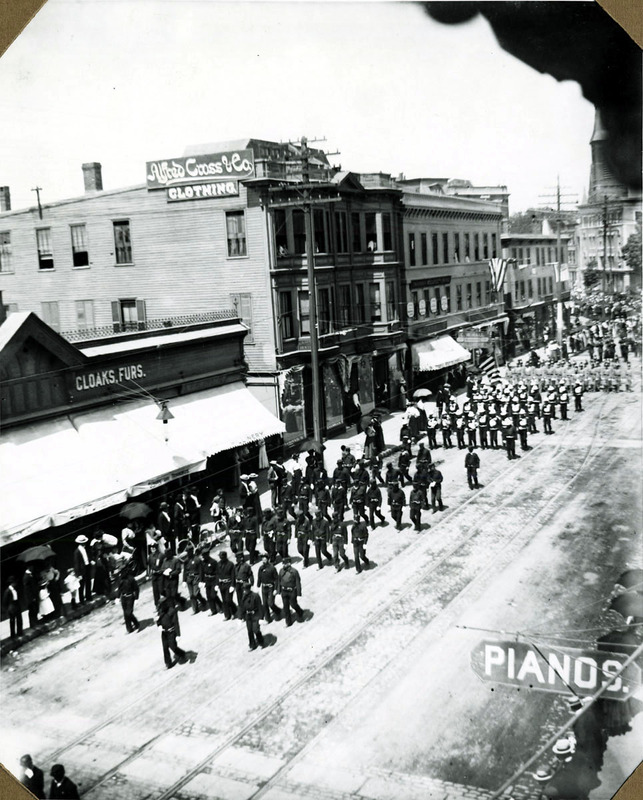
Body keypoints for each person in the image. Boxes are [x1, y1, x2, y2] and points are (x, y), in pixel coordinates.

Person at [156, 591, 186, 669]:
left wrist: (178, 635)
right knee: (165, 648)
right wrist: (158, 625)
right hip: (164, 633)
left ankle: (182, 654)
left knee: (173, 647)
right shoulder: (160, 611)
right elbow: (158, 621)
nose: (160, 607)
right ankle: (168, 663)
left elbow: (176, 623)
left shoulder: (172, 611)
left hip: (171, 632)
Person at [277, 556, 304, 626]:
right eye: (283, 563)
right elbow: (279, 581)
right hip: (284, 591)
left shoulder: (294, 572)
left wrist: (299, 594)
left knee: (293, 604)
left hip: (292, 591)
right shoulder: (281, 571)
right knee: (286, 607)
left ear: (289, 563)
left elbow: (298, 583)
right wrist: (278, 591)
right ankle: (288, 622)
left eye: (285, 563)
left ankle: (300, 612)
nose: (283, 565)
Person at [240, 580, 265, 650]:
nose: (244, 591)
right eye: (243, 590)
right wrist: (241, 617)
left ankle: (261, 641)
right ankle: (252, 645)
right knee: (249, 630)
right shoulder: (244, 596)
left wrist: (261, 618)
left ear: (248, 589)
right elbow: (242, 606)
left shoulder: (255, 596)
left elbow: (260, 607)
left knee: (256, 629)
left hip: (255, 615)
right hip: (248, 616)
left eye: (245, 589)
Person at [257, 554, 281, 622]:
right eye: (262, 559)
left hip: (271, 587)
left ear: (268, 559)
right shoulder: (261, 568)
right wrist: (258, 586)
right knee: (265, 604)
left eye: (265, 559)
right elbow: (259, 577)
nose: (263, 560)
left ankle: (278, 611)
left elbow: (276, 579)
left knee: (271, 603)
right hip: (264, 587)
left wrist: (276, 589)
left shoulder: (272, 568)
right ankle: (268, 619)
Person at [117, 564, 140, 633]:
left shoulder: (131, 579)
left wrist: (136, 598)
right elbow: (119, 589)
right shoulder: (120, 579)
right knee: (125, 613)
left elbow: (136, 588)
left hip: (130, 597)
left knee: (129, 613)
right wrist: (117, 597)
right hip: (123, 597)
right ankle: (129, 628)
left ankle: (136, 623)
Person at [183, 546, 204, 614]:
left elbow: (201, 571)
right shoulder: (186, 561)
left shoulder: (197, 559)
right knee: (191, 595)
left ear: (192, 551)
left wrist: (201, 581)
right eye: (187, 552)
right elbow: (185, 571)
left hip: (196, 577)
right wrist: (184, 580)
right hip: (189, 578)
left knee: (196, 593)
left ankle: (203, 601)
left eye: (189, 551)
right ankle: (195, 609)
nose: (188, 553)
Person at [72, 534, 93, 602]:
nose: (84, 543)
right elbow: (76, 563)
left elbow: (86, 557)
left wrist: (90, 561)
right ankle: (82, 600)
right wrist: (78, 574)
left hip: (87, 567)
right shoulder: (77, 551)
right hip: (81, 570)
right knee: (81, 585)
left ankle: (88, 596)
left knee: (88, 582)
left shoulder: (85, 549)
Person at [217, 551, 236, 620]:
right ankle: (227, 615)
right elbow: (217, 575)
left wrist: (232, 585)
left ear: (225, 556)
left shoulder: (230, 564)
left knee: (229, 600)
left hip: (229, 584)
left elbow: (233, 575)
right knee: (224, 600)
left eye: (221, 557)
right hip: (222, 584)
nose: (220, 558)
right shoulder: (218, 564)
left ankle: (234, 611)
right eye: (220, 557)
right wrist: (217, 584)